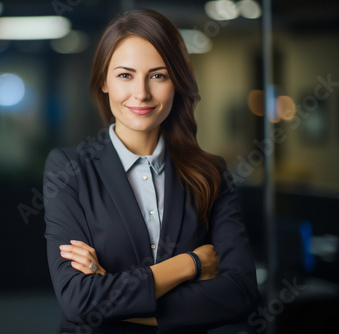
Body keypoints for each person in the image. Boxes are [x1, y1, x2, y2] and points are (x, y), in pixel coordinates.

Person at [43, 9, 259, 333]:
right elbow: (78, 300)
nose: (141, 93)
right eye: (125, 75)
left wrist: (115, 303)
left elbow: (241, 293)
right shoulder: (69, 170)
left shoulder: (211, 174)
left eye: (158, 75)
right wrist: (191, 264)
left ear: (177, 82)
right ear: (104, 80)